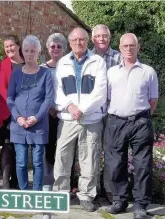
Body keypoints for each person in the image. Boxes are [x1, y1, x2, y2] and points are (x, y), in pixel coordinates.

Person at [104, 33, 158, 219]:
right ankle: (119, 201)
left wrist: (139, 116)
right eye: (125, 46)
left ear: (138, 47)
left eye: (132, 45)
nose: (128, 49)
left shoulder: (148, 72)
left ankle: (140, 206)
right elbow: (108, 97)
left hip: (140, 122)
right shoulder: (111, 72)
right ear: (120, 48)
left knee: (142, 164)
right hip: (116, 122)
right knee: (115, 163)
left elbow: (153, 100)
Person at [53, 27, 107, 212]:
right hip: (67, 119)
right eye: (75, 40)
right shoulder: (62, 63)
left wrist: (82, 109)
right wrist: (70, 107)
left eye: (82, 39)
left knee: (89, 159)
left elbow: (100, 91)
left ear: (87, 41)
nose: (79, 43)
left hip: (90, 119)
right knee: (62, 157)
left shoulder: (97, 61)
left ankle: (86, 196)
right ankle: (61, 194)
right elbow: (57, 90)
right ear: (70, 43)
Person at [7, 35, 54, 191]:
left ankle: (37, 193)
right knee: (20, 161)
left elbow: (48, 99)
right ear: (22, 52)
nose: (29, 54)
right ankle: (24, 192)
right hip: (18, 125)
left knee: (38, 161)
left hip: (38, 125)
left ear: (39, 52)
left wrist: (36, 117)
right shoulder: (16, 73)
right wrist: (18, 118)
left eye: (33, 51)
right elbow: (10, 98)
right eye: (26, 50)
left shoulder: (46, 74)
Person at [92, 24, 122, 202]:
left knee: (112, 152)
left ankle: (111, 190)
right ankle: (93, 189)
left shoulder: (119, 58)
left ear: (109, 38)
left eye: (105, 36)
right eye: (98, 36)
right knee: (92, 150)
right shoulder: (87, 58)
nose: (102, 39)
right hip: (93, 112)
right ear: (93, 38)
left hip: (112, 112)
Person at [0, 34, 24, 189]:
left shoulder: (27, 62)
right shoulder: (3, 65)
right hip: (9, 112)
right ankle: (6, 181)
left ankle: (18, 180)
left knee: (22, 146)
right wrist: (15, 105)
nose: (9, 49)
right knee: (8, 145)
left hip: (26, 113)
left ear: (18, 45)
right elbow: (1, 88)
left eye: (11, 45)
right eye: (6, 47)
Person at [40, 33, 67, 186]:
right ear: (48, 48)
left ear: (64, 48)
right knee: (49, 147)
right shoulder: (42, 68)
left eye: (59, 46)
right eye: (53, 46)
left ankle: (64, 181)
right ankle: (48, 181)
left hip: (65, 113)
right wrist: (50, 108)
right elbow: (40, 91)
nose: (56, 49)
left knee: (65, 148)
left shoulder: (69, 65)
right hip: (48, 114)